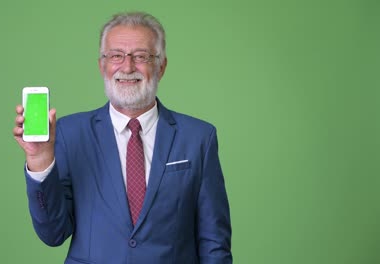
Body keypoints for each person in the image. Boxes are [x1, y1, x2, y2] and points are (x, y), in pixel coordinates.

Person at [13, 11, 232, 264]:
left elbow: (214, 242)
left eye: (141, 57)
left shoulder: (199, 138)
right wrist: (40, 160)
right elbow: (53, 233)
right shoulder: (68, 133)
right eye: (116, 56)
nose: (127, 67)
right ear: (102, 65)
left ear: (161, 66)